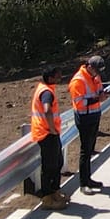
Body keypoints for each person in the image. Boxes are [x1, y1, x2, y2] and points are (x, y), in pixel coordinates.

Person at [30, 66, 69, 209]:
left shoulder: (46, 89)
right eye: (57, 76)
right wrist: (52, 129)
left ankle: (55, 192)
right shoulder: (46, 92)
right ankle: (47, 198)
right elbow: (47, 111)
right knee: (50, 166)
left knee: (57, 162)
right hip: (46, 133)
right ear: (50, 77)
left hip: (48, 132)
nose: (60, 78)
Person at [69, 54, 108, 193]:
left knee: (90, 149)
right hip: (84, 118)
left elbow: (98, 92)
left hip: (94, 115)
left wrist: (103, 94)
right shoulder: (78, 81)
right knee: (85, 151)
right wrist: (98, 98)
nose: (98, 74)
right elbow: (80, 103)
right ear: (90, 66)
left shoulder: (95, 76)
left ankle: (88, 178)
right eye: (96, 70)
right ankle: (83, 183)